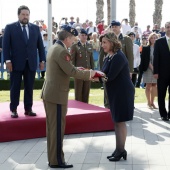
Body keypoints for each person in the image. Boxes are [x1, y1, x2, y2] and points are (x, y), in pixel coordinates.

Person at [41, 25, 103, 168]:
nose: (73, 41)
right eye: (73, 38)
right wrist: (90, 74)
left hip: (50, 93)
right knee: (56, 130)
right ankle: (57, 161)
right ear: (67, 38)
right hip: (56, 95)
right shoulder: (62, 51)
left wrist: (79, 69)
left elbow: (67, 69)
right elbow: (72, 72)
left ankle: (53, 159)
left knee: (51, 129)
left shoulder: (54, 47)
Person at [3, 5, 45, 118]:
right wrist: (7, 61)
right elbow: (6, 46)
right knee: (15, 87)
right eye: (23, 14)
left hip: (30, 63)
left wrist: (42, 60)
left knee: (29, 87)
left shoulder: (35, 28)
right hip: (15, 63)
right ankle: (14, 109)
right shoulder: (10, 27)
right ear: (18, 15)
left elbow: (40, 46)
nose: (25, 17)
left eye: (27, 14)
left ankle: (28, 109)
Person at [100, 32, 134, 162]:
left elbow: (110, 76)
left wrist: (96, 76)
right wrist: (97, 76)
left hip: (122, 92)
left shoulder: (119, 56)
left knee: (120, 121)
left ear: (112, 42)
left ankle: (121, 150)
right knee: (116, 121)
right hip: (115, 92)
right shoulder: (110, 56)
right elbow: (104, 73)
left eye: (104, 42)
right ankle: (119, 149)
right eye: (102, 42)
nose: (102, 45)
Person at [71, 29, 94, 103]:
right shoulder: (75, 46)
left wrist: (92, 70)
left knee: (86, 92)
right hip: (79, 72)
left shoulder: (89, 45)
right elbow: (72, 60)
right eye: (82, 35)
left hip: (88, 71)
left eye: (85, 35)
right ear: (79, 36)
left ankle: (86, 108)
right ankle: (78, 109)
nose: (84, 37)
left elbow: (91, 59)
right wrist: (73, 71)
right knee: (78, 92)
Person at [153, 21, 170, 121]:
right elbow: (156, 58)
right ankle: (163, 114)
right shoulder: (159, 42)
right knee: (161, 94)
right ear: (165, 29)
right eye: (167, 27)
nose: (169, 29)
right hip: (162, 74)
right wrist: (155, 72)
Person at [140, 32, 158, 109]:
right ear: (149, 39)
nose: (153, 39)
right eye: (152, 38)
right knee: (148, 86)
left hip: (157, 68)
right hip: (148, 69)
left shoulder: (159, 48)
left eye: (155, 38)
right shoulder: (146, 48)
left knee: (154, 85)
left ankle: (152, 102)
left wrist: (156, 68)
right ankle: (148, 102)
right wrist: (151, 67)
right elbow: (145, 59)